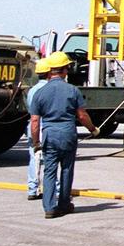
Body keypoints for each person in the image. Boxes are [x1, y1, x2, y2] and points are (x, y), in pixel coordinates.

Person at [28, 51, 96, 219]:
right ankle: (64, 204)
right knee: (67, 170)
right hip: (67, 134)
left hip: (49, 135)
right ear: (65, 70)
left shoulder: (39, 93)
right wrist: (92, 129)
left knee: (49, 171)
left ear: (50, 70)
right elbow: (82, 115)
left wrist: (36, 142)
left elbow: (35, 121)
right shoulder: (72, 90)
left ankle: (49, 208)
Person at [25, 57, 51, 201]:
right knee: (49, 160)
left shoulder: (32, 90)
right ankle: (54, 190)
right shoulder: (48, 89)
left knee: (33, 157)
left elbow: (31, 112)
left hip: (33, 128)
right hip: (44, 127)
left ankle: (32, 189)